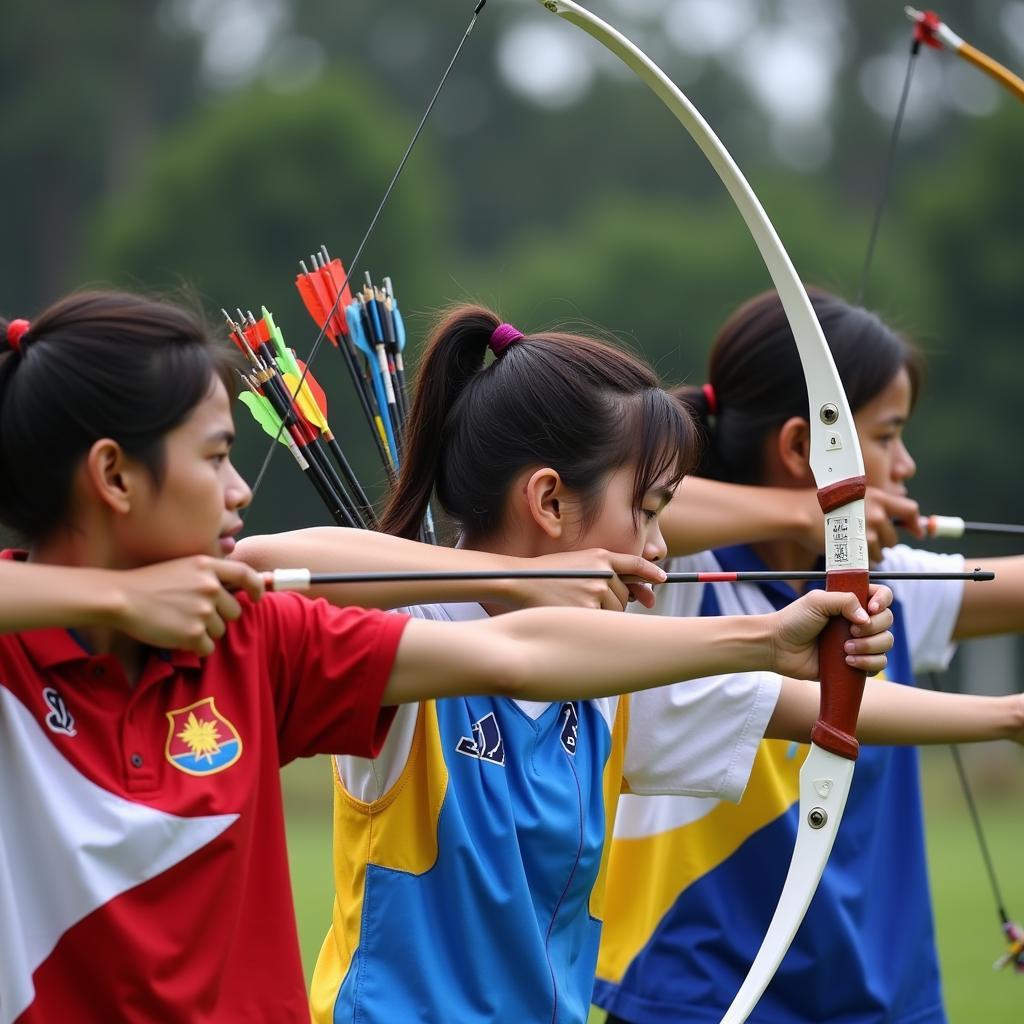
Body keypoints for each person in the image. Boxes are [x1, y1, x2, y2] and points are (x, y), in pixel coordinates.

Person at [0, 291, 892, 1024]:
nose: (240, 491)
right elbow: (272, 560)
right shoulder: (28, 667)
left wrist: (766, 641)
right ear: (116, 477)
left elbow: (516, 655)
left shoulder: (254, 639)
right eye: (218, 456)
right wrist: (113, 599)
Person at [237, 304, 1018, 1024]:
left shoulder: (610, 684)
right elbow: (260, 566)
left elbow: (789, 702)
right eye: (647, 511)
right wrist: (501, 578)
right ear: (548, 502)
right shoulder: (414, 632)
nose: (657, 547)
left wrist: (1003, 716)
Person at [594, 288, 1024, 1024]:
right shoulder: (672, 579)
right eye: (887, 437)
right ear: (803, 447)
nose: (906, 464)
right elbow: (617, 483)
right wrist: (809, 509)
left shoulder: (881, 588)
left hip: (889, 999)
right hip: (702, 996)